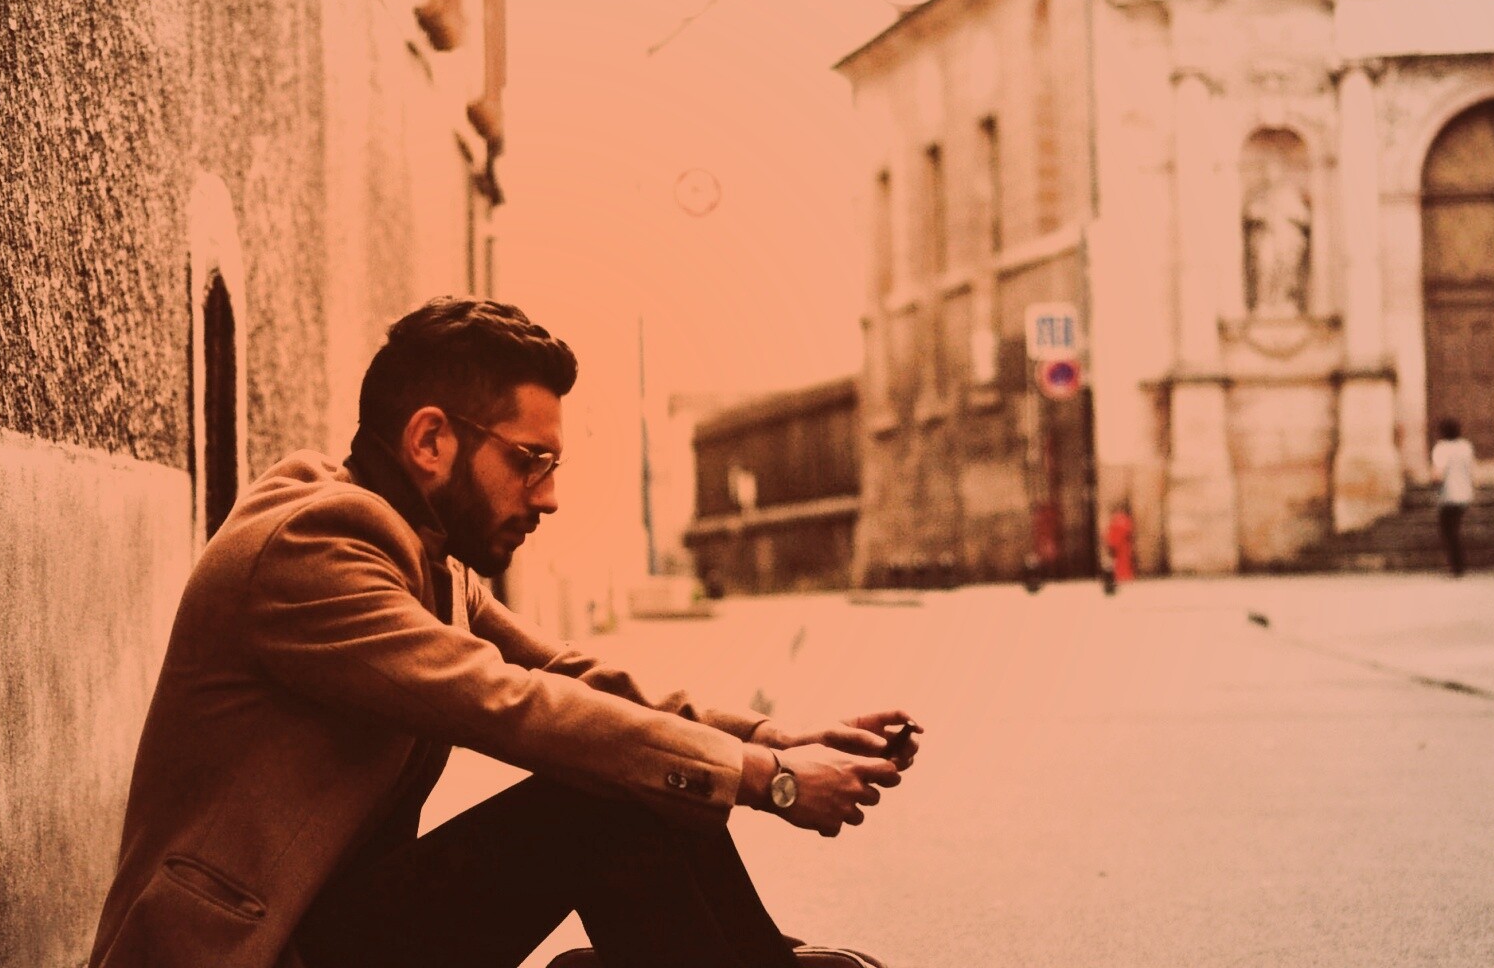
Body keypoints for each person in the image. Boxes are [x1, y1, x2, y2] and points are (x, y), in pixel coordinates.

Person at [90, 297, 919, 968]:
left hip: (336, 933)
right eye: (530, 461)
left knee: (632, 786)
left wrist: (769, 737)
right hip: (250, 951)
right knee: (601, 798)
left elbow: (569, 676)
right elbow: (515, 706)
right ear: (430, 440)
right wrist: (768, 781)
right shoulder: (316, 548)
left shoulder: (419, 555)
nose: (547, 496)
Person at [1430, 418, 1477, 577]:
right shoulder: (1466, 447)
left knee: (1448, 531)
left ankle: (1456, 565)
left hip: (1448, 495)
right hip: (1464, 494)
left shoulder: (1441, 448)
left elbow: (1438, 473)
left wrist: (1433, 483)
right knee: (1454, 529)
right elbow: (1472, 470)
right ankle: (1458, 564)